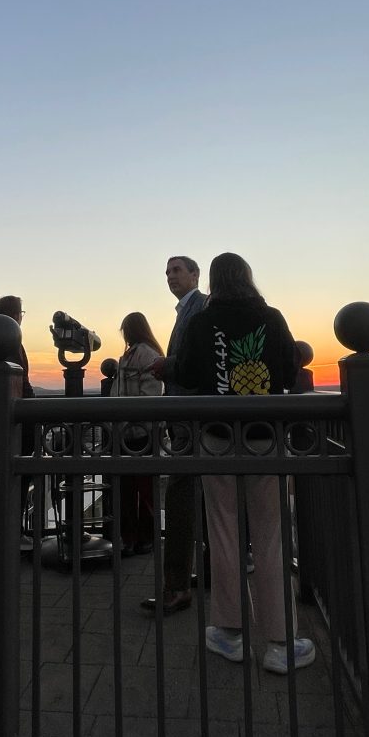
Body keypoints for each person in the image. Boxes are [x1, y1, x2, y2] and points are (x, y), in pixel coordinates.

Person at [173, 252, 314, 673]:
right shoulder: (271, 318)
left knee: (224, 533)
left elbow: (191, 376)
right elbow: (290, 372)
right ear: (248, 278)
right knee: (270, 538)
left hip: (217, 438)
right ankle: (280, 643)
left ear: (213, 281)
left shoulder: (201, 322)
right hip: (264, 439)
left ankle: (229, 634)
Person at [141, 256, 207, 614]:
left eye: (176, 270)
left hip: (190, 416)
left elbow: (195, 362)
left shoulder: (198, 309)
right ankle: (205, 571)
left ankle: (177, 586)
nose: (169, 277)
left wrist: (167, 367)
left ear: (196, 274)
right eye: (166, 272)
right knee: (199, 492)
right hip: (190, 416)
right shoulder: (189, 309)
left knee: (181, 492)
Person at [110, 312, 164, 556]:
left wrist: (119, 418)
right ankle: (141, 536)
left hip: (138, 432)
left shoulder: (142, 356)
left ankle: (135, 536)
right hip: (137, 432)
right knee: (139, 488)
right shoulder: (145, 355)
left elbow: (148, 397)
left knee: (134, 488)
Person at [0, 295, 35, 550]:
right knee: (18, 477)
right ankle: (12, 533)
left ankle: (11, 532)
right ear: (16, 315)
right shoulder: (11, 342)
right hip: (18, 423)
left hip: (10, 421)